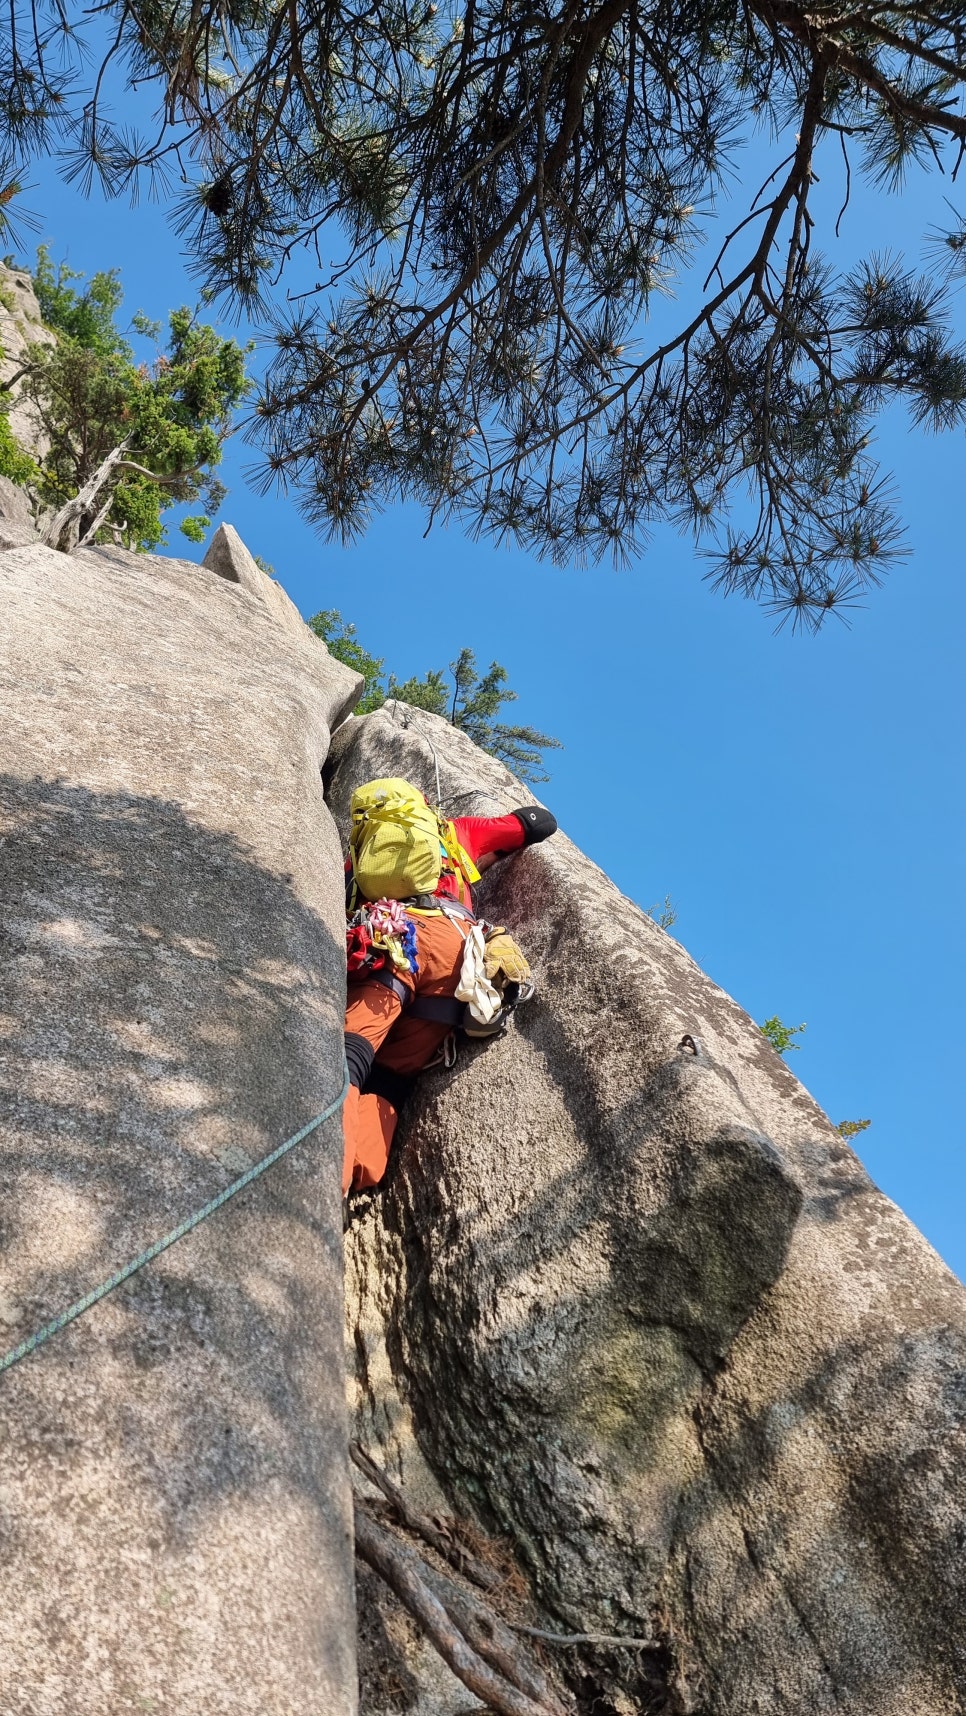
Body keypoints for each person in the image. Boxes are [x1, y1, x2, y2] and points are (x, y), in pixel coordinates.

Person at [342, 797, 557, 1195]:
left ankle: (318, 1170)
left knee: (350, 1055)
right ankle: (357, 1177)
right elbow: (540, 823)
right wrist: (481, 858)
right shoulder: (457, 833)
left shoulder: (359, 863)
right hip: (458, 960)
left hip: (397, 938)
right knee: (390, 1079)